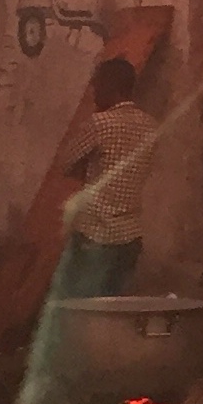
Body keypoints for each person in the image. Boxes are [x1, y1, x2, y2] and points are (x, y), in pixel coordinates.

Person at [54, 58, 157, 298]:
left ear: (111, 86)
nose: (93, 93)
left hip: (95, 234)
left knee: (82, 305)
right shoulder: (150, 126)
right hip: (130, 236)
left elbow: (66, 163)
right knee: (114, 310)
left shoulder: (99, 124)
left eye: (97, 86)